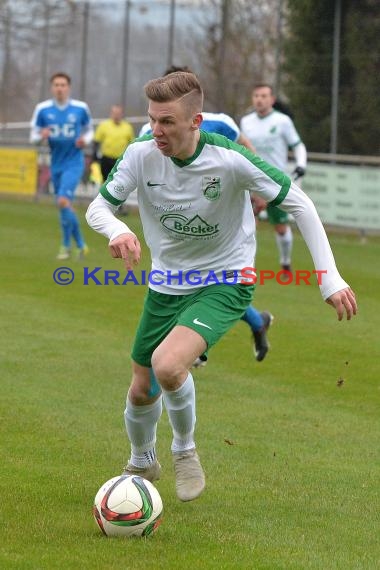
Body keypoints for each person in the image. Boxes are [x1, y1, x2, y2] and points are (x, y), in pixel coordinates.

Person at [86, 72, 356, 503]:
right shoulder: (140, 155)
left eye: (168, 122)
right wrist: (117, 230)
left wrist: (330, 278)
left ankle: (184, 450)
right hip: (166, 283)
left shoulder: (229, 159)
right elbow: (99, 206)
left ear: (196, 121)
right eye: (153, 120)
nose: (157, 130)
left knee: (168, 366)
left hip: (226, 280)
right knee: (141, 387)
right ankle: (142, 459)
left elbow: (300, 204)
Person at [139, 67, 273, 365]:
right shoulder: (150, 132)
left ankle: (198, 346)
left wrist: (258, 192)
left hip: (217, 222)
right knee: (195, 282)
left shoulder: (222, 123)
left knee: (216, 281)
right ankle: (255, 322)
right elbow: (144, 165)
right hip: (178, 224)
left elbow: (248, 152)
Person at [240, 83, 307, 273]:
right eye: (256, 96)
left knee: (280, 227)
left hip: (275, 181)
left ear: (272, 100)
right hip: (250, 179)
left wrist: (301, 164)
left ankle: (285, 262)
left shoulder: (282, 121)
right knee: (245, 224)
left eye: (264, 96)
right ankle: (242, 267)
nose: (259, 100)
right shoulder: (246, 121)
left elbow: (298, 145)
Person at [30, 72, 94, 260]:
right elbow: (33, 137)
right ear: (52, 88)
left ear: (69, 87)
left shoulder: (80, 108)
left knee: (63, 202)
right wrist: (40, 136)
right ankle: (71, 246)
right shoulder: (42, 110)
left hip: (74, 162)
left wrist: (85, 140)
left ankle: (77, 244)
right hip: (55, 163)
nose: (60, 88)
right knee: (63, 206)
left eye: (63, 84)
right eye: (56, 85)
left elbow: (90, 130)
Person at [93, 104, 135, 182]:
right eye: (114, 113)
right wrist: (95, 156)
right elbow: (96, 141)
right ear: (111, 114)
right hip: (106, 159)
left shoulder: (127, 127)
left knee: (118, 181)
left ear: (122, 114)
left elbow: (132, 143)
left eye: (118, 114)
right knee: (106, 180)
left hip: (120, 160)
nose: (116, 116)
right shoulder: (104, 125)